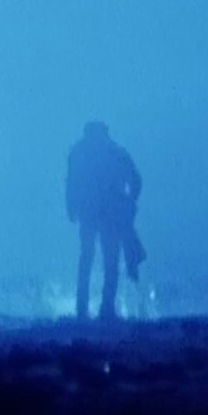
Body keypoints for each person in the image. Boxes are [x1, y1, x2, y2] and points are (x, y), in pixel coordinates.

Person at [65, 120, 143, 321]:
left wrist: (72, 207)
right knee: (110, 260)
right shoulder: (114, 151)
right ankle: (105, 308)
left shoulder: (79, 152)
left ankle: (83, 309)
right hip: (109, 214)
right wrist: (129, 202)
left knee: (88, 259)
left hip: (90, 213)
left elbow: (71, 183)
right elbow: (136, 180)